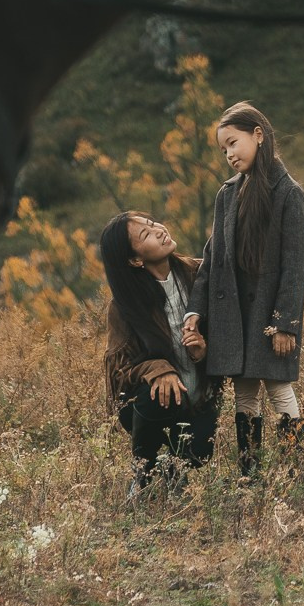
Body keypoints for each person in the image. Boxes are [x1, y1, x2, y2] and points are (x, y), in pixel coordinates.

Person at [184, 101, 304, 479]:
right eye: (223, 150)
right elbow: (212, 258)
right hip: (233, 316)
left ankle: (295, 475)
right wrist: (195, 309)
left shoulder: (288, 193)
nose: (229, 155)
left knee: (279, 391)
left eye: (233, 143)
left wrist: (285, 322)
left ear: (258, 135)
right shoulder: (227, 194)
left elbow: (295, 265)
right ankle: (249, 475)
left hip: (268, 316)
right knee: (244, 395)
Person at [98, 211, 218, 497]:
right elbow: (119, 371)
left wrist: (204, 352)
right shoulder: (124, 305)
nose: (159, 230)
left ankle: (172, 467)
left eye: (152, 224)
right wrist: (155, 368)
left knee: (200, 451)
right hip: (149, 408)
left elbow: (229, 337)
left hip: (198, 397)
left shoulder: (198, 275)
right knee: (159, 391)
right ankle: (142, 469)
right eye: (146, 234)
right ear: (134, 260)